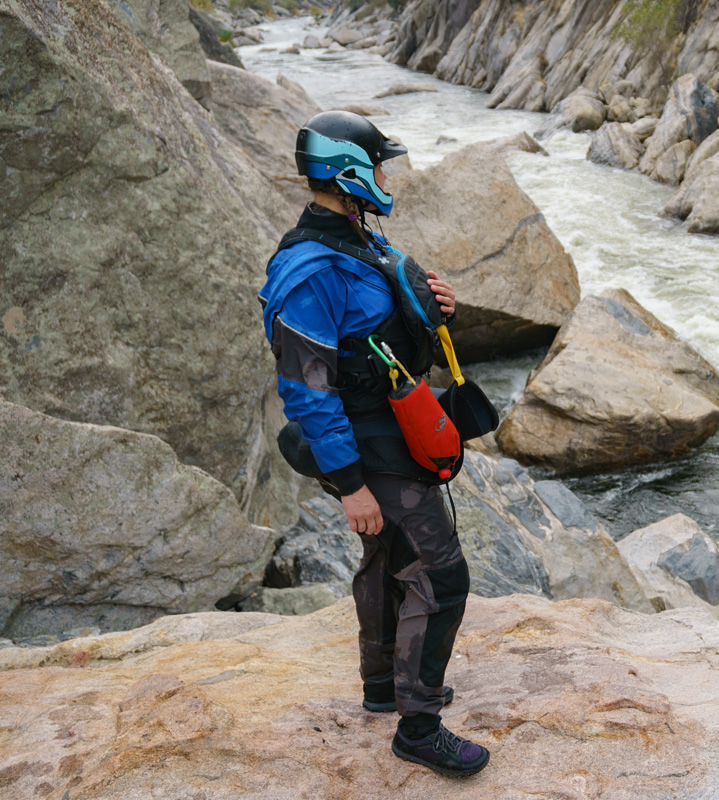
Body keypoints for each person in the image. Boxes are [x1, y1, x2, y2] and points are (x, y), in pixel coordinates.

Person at [258, 110, 489, 777]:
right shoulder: (307, 271)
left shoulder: (355, 238)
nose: (386, 175)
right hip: (366, 445)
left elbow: (382, 331)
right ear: (350, 173)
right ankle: (418, 727)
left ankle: (385, 686)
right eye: (379, 165)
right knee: (441, 574)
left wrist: (440, 309)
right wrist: (352, 483)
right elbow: (305, 390)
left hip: (389, 429)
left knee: (389, 559)